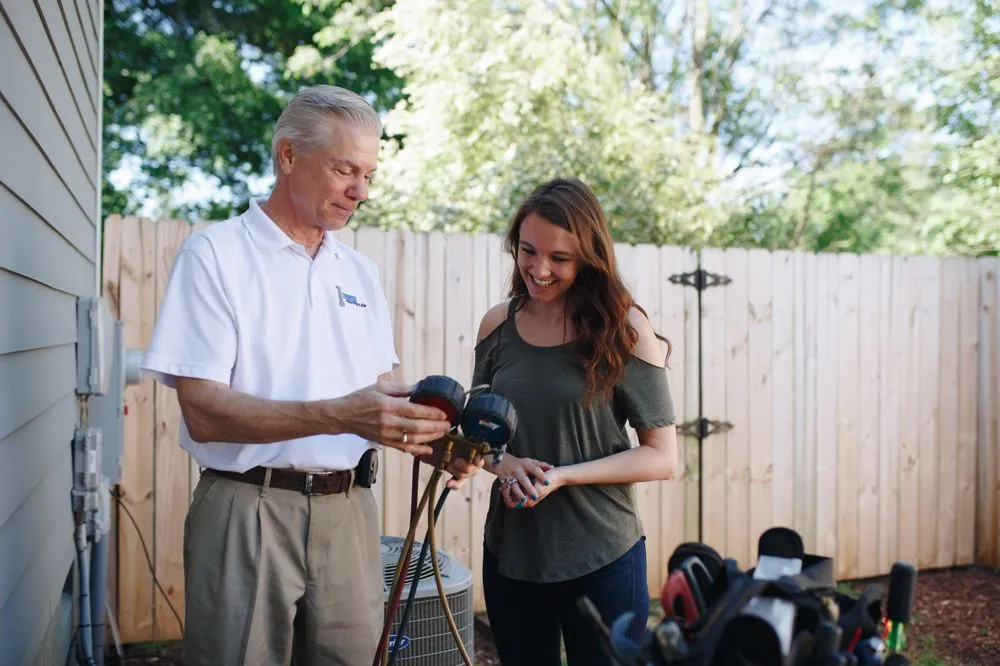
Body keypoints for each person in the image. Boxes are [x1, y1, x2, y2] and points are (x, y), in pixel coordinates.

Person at [141, 85, 482, 666]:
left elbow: (374, 403)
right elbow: (203, 410)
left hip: (349, 512)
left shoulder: (360, 273)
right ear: (288, 156)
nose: (360, 191)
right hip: (247, 510)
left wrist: (434, 444)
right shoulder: (216, 255)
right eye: (345, 169)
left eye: (369, 175)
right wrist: (342, 412)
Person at [472, 178, 679, 666]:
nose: (539, 270)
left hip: (602, 557)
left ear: (589, 256)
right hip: (512, 556)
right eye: (528, 251)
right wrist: (503, 464)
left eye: (559, 259)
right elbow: (474, 435)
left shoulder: (624, 331)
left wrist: (563, 476)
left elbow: (662, 457)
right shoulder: (496, 325)